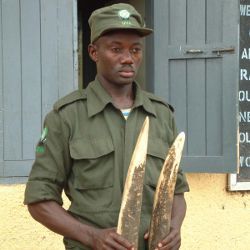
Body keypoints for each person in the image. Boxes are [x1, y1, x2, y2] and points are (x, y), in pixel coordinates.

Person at [24, 3, 189, 250]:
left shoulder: (161, 115)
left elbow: (175, 191)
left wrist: (174, 229)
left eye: (135, 50)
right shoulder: (67, 117)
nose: (128, 58)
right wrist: (91, 236)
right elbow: (39, 200)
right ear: (93, 52)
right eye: (116, 49)